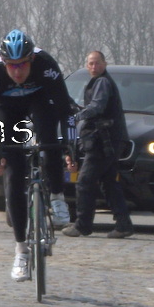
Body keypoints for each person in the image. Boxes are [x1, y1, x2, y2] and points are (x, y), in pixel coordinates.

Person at [0, 30, 76, 282]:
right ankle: (21, 251)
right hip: (7, 110)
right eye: (11, 65)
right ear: (3, 63)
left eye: (22, 64)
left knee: (48, 141)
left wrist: (69, 147)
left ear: (31, 60)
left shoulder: (46, 65)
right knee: (12, 174)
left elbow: (66, 113)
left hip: (40, 101)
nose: (17, 71)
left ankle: (56, 196)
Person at [62, 51, 133, 239]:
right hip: (107, 141)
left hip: (104, 142)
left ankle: (82, 225)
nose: (94, 67)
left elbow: (97, 107)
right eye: (91, 63)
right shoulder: (98, 82)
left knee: (85, 182)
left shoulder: (102, 82)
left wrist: (77, 116)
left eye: (97, 63)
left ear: (105, 64)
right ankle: (123, 224)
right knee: (109, 183)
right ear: (87, 65)